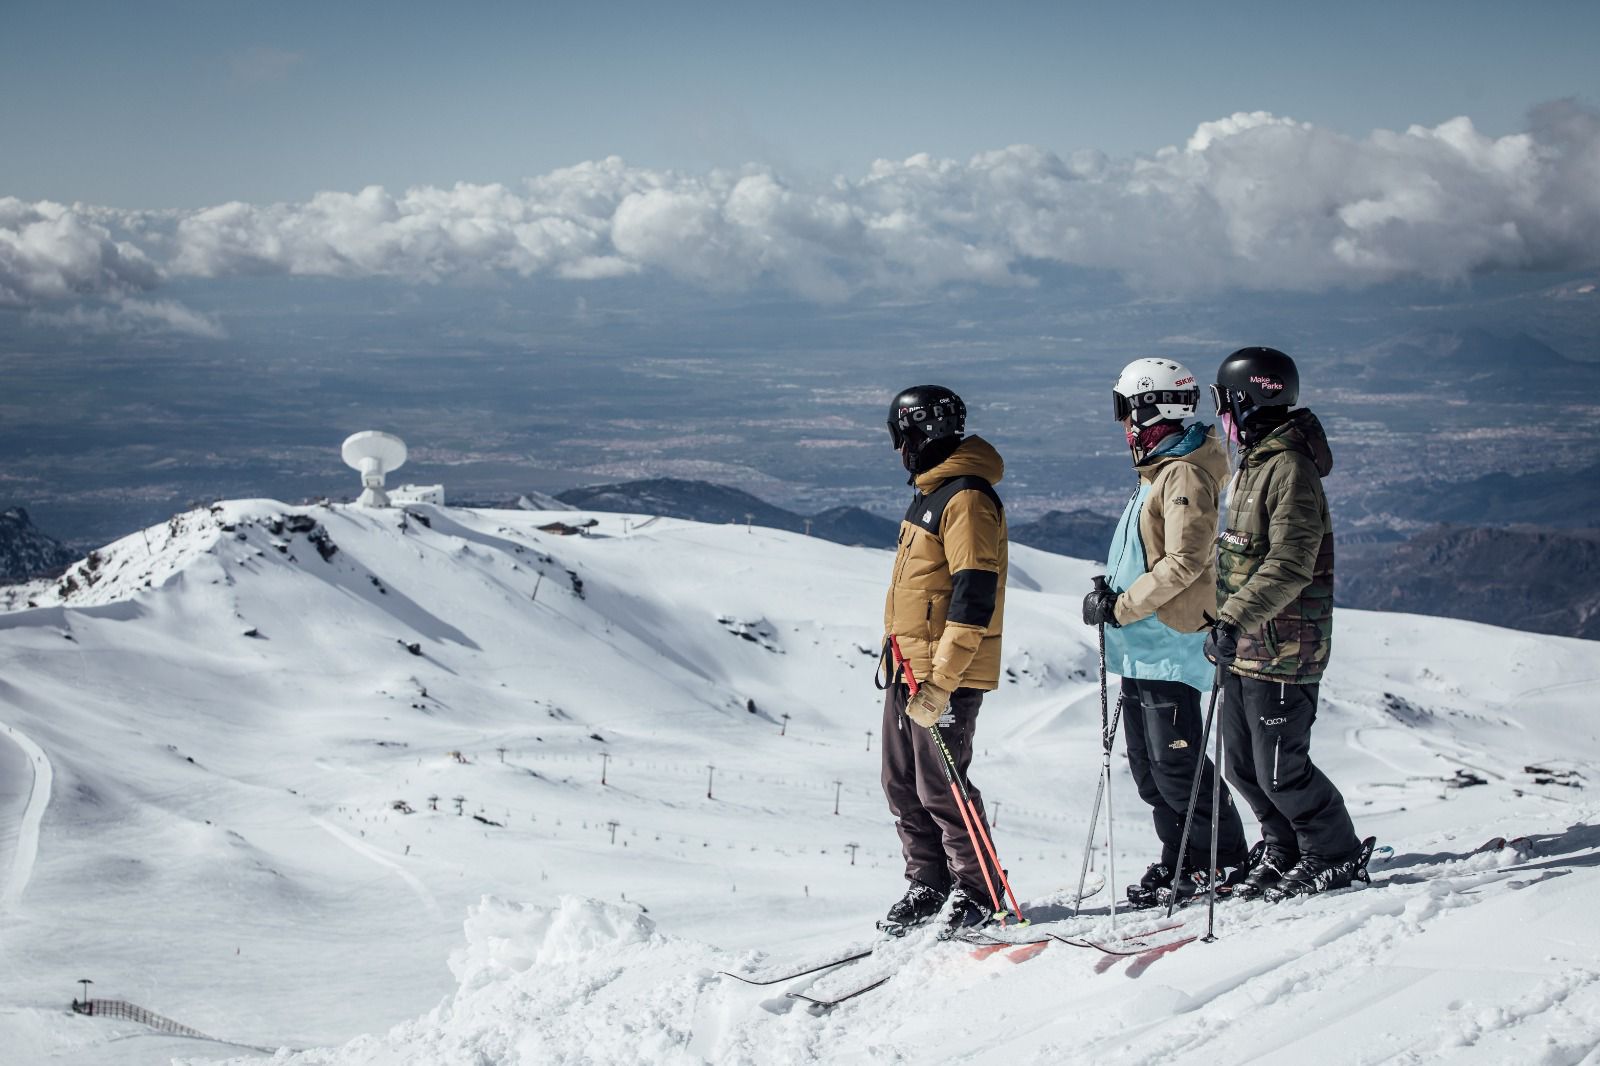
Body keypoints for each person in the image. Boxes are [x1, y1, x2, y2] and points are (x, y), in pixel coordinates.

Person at [1205, 346, 1373, 901]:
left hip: (1285, 645)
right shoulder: (1256, 462)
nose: (1222, 416)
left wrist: (1232, 616)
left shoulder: (1290, 469)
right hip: (1248, 643)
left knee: (1282, 768)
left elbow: (1291, 563)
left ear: (1249, 401)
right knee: (1244, 769)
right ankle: (1285, 847)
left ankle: (1335, 851)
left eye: (1225, 403)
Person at [1082, 358, 1249, 908]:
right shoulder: (1161, 471)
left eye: (1128, 409)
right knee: (1152, 773)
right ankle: (1182, 858)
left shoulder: (1183, 475)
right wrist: (1113, 596)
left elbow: (1186, 561)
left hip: (1168, 644)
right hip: (1142, 648)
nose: (1125, 424)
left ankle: (1217, 862)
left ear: (1153, 407)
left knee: (1176, 766)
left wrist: (1121, 606)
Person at [877, 384, 1009, 933]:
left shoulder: (967, 498)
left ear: (915, 433)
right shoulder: (931, 492)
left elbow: (973, 593)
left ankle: (981, 891)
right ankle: (930, 883)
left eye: (900, 436)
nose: (898, 449)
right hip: (909, 666)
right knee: (902, 783)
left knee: (943, 785)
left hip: (942, 674)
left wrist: (942, 682)